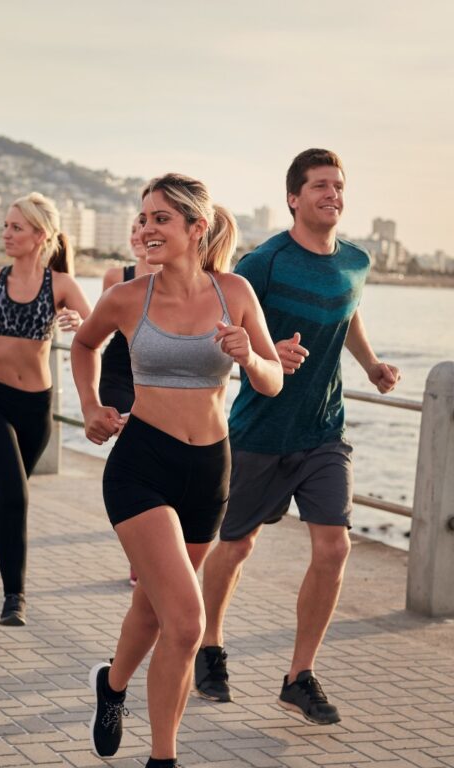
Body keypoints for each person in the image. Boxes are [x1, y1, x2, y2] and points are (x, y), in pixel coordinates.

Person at [72, 173, 282, 768]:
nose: (146, 229)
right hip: (142, 466)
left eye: (160, 218)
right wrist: (90, 406)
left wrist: (248, 356)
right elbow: (85, 346)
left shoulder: (234, 292)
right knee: (186, 623)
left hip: (209, 472)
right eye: (142, 219)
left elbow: (272, 378)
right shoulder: (126, 296)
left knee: (154, 607)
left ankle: (111, 687)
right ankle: (162, 759)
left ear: (197, 228)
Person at [194, 148, 400, 725]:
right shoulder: (264, 263)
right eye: (320, 186)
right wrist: (266, 352)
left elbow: (348, 310)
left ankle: (299, 675)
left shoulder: (356, 261)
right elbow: (222, 332)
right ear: (294, 197)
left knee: (335, 547)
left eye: (339, 186)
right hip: (260, 432)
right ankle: (209, 647)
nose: (333, 194)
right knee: (235, 548)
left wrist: (372, 365)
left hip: (323, 432)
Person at [0, 192, 91, 626]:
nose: (6, 234)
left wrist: (78, 323)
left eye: (16, 227)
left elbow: (96, 332)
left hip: (35, 410)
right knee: (15, 493)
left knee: (3, 492)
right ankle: (15, 597)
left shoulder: (61, 285)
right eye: (6, 226)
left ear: (40, 236)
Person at [99, 217, 160, 588]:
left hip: (156, 379)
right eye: (134, 230)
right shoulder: (116, 276)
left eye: (145, 228)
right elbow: (100, 325)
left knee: (159, 462)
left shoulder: (180, 277)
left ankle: (154, 546)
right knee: (138, 458)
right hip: (120, 375)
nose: (138, 235)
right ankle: (139, 555)